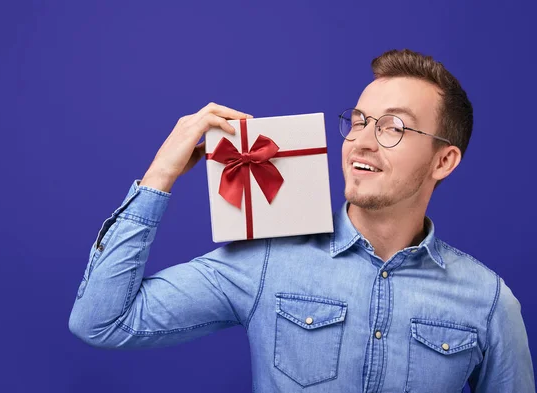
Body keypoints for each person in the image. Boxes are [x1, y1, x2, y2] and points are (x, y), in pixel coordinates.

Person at [68, 49, 535, 392]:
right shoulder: (269, 258)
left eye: (393, 126)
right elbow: (103, 321)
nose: (361, 142)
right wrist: (159, 175)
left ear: (444, 161)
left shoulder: (489, 302)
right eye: (358, 120)